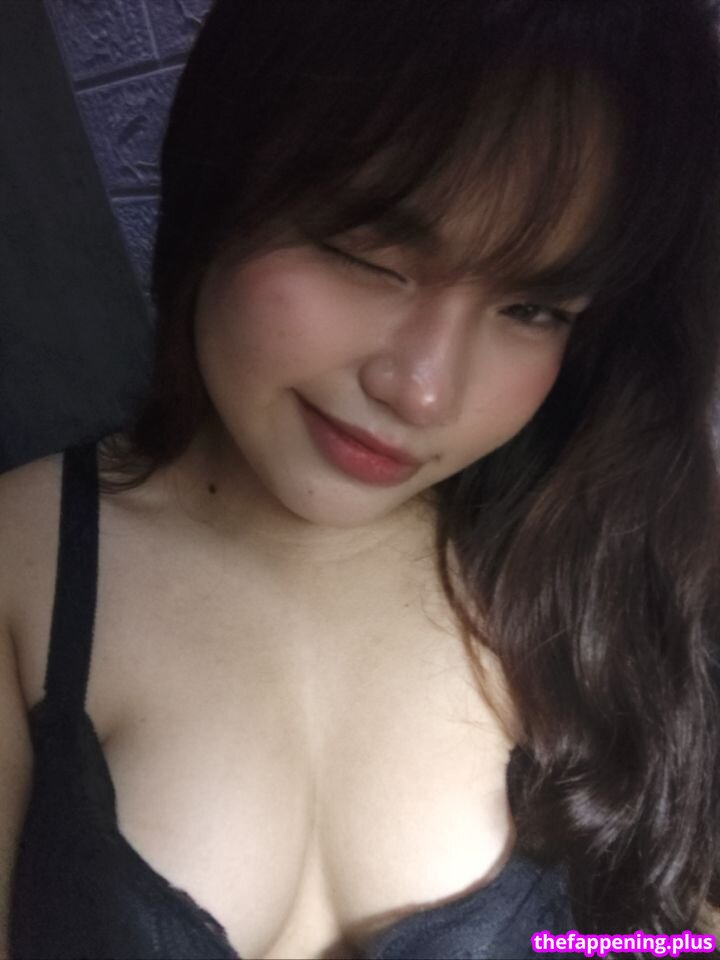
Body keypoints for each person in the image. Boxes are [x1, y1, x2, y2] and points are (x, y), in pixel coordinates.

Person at [3, 0, 720, 957]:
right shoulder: (24, 565)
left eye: (533, 307)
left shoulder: (603, 573)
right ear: (222, 183)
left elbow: (675, 936)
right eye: (364, 252)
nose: (423, 391)